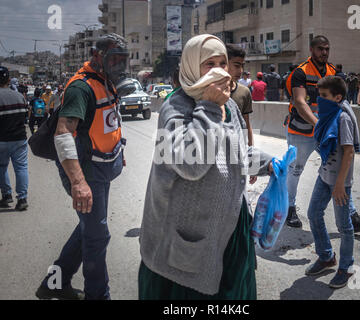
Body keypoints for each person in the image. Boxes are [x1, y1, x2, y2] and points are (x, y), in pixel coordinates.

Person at [138, 34, 274, 300]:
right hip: (186, 238)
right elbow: (190, 165)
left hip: (229, 229)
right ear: (191, 66)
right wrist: (209, 106)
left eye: (223, 63)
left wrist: (268, 164)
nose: (219, 70)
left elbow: (236, 154)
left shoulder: (231, 107)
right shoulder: (175, 108)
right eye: (208, 63)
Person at [35, 33, 129, 300]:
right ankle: (98, 295)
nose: (119, 65)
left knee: (89, 229)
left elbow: (107, 120)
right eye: (115, 58)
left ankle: (53, 284)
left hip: (101, 169)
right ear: (97, 56)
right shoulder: (81, 87)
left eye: (123, 59)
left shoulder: (106, 81)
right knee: (98, 236)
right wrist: (78, 183)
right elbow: (64, 133)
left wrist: (117, 148)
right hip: (85, 173)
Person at [285, 35, 360, 232]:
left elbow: (340, 102)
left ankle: (350, 216)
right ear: (311, 50)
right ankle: (289, 208)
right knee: (295, 169)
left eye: (326, 49)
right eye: (320, 49)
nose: (324, 52)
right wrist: (320, 126)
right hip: (301, 131)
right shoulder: (301, 72)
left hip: (326, 132)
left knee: (336, 170)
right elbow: (300, 103)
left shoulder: (333, 72)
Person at [306, 75, 358, 289]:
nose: (320, 100)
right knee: (313, 213)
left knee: (344, 226)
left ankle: (345, 268)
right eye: (319, 96)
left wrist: (340, 184)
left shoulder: (342, 118)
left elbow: (349, 151)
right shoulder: (329, 115)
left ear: (337, 97)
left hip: (339, 183)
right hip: (324, 175)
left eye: (324, 96)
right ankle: (326, 256)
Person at [0, 66, 29, 211]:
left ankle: (6, 196)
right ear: (8, 80)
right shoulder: (19, 96)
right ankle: (22, 199)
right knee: (21, 168)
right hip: (19, 139)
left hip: (2, 140)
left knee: (1, 167)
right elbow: (25, 118)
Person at [226, 44, 254, 147]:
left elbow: (246, 122)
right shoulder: (208, 92)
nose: (241, 71)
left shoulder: (244, 92)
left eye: (242, 66)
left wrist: (250, 146)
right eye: (236, 66)